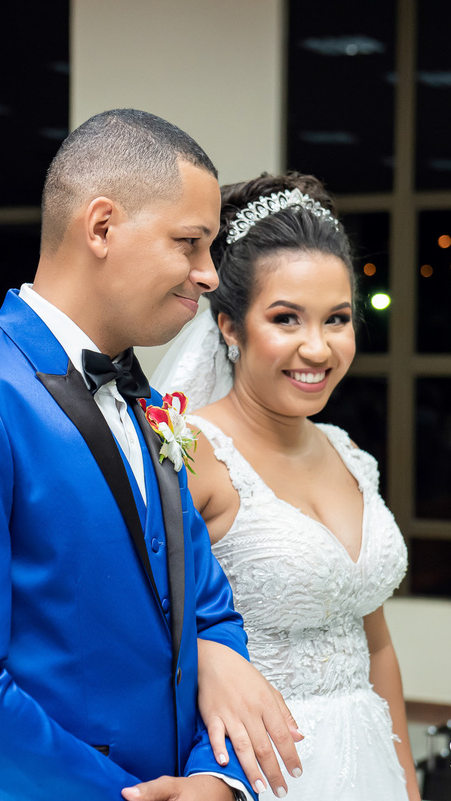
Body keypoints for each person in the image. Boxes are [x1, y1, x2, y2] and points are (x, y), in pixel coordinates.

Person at [0, 109, 304, 801]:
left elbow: (209, 611)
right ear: (102, 226)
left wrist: (214, 775)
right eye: (191, 243)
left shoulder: (149, 405)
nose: (208, 275)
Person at [154, 172, 421, 800]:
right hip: (257, 773)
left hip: (368, 764)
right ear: (229, 327)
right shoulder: (190, 456)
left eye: (336, 319)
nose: (317, 347)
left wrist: (406, 781)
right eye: (286, 319)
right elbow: (145, 637)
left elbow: (375, 644)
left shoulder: (350, 455)